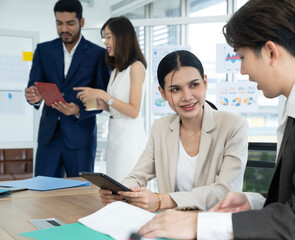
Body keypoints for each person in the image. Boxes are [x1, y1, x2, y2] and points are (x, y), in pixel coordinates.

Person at [138, 0, 295, 239]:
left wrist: (199, 225)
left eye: (242, 57)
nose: (242, 70)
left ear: (270, 52)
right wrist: (252, 202)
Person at [99, 50, 249, 212]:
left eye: (194, 85)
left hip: (213, 225)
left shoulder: (234, 125)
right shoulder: (161, 128)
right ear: (163, 93)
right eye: (175, 89)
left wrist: (160, 200)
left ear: (205, 83)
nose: (187, 96)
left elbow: (225, 191)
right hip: (170, 224)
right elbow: (137, 176)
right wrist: (120, 192)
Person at [25, 0, 110, 178]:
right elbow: (33, 86)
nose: (64, 29)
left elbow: (103, 98)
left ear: (82, 22)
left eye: (70, 23)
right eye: (59, 23)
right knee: (42, 194)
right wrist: (34, 97)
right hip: (49, 138)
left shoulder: (98, 55)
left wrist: (79, 109)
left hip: (81, 139)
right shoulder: (43, 50)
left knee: (80, 196)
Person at [74, 16, 147, 182]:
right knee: (115, 184)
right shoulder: (117, 70)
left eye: (108, 37)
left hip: (129, 137)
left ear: (121, 38)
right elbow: (116, 106)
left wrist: (103, 95)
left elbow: (134, 110)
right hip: (114, 133)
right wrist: (100, 103)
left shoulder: (136, 67)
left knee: (128, 187)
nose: (105, 42)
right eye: (104, 37)